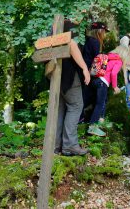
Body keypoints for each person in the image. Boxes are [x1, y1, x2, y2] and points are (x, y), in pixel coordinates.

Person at [55, 19, 91, 156]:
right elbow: (72, 45)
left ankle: (56, 145)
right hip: (68, 73)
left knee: (60, 109)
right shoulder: (72, 26)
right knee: (76, 105)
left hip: (55, 74)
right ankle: (70, 145)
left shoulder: (57, 24)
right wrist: (84, 68)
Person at [88, 45, 130, 136]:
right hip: (103, 82)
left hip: (96, 80)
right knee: (100, 104)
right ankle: (92, 127)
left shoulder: (108, 57)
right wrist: (115, 87)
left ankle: (101, 120)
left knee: (103, 101)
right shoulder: (118, 61)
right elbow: (113, 73)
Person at [81, 22, 109, 122]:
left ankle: (82, 117)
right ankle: (83, 118)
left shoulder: (86, 40)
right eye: (104, 31)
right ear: (100, 31)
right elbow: (96, 60)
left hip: (82, 70)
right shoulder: (95, 42)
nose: (105, 34)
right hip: (88, 72)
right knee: (87, 96)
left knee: (85, 95)